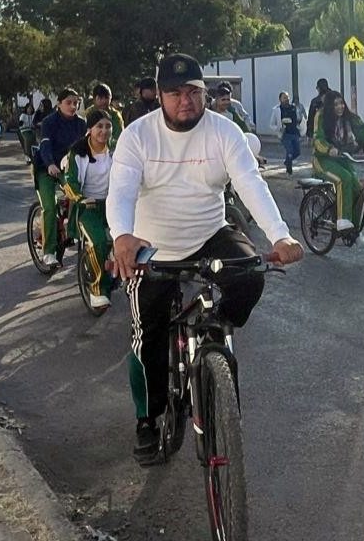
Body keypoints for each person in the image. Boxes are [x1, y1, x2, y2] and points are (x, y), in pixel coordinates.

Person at [107, 53, 304, 464]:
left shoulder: (224, 132)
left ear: (204, 93)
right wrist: (122, 235)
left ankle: (214, 337)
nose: (186, 101)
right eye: (175, 93)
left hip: (209, 233)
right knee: (148, 334)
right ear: (160, 96)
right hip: (152, 245)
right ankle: (148, 417)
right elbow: (122, 189)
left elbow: (250, 183)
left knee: (250, 274)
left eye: (193, 92)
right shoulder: (137, 136)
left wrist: (280, 235)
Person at [62, 109, 115, 309]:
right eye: (99, 126)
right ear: (90, 130)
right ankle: (97, 291)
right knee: (99, 242)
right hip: (87, 208)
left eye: (108, 126)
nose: (104, 131)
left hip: (113, 205)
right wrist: (82, 199)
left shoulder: (116, 150)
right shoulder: (77, 152)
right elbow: (69, 183)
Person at [312, 90, 364, 232]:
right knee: (344, 179)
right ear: (329, 107)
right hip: (322, 160)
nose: (340, 107)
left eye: (341, 103)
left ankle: (354, 230)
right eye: (335, 105)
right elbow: (317, 139)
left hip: (342, 159)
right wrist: (328, 149)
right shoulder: (321, 116)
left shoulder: (350, 118)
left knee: (358, 189)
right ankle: (342, 220)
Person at [35, 89, 87, 267]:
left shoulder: (81, 123)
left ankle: (71, 233)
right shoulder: (49, 122)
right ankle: (48, 251)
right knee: (49, 207)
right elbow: (45, 144)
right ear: (59, 104)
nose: (73, 106)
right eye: (69, 102)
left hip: (68, 169)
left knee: (79, 196)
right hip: (46, 168)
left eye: (76, 103)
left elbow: (86, 146)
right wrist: (50, 163)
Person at [270, 91, 301, 174]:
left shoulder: (293, 108)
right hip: (285, 134)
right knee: (290, 151)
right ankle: (289, 170)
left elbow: (298, 119)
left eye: (287, 98)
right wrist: (279, 128)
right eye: (284, 98)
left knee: (297, 152)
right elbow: (271, 124)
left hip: (294, 132)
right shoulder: (277, 110)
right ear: (280, 99)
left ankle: (287, 161)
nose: (286, 99)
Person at [87, 83, 126, 148]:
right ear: (94, 99)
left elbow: (119, 137)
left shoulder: (115, 116)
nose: (104, 101)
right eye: (100, 98)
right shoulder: (88, 113)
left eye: (107, 98)